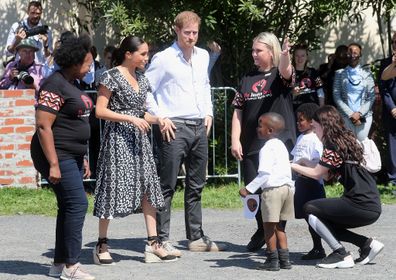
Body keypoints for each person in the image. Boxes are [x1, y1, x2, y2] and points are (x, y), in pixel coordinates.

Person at [145, 11, 226, 256]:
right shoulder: (163, 58)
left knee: (196, 184)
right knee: (167, 183)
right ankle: (161, 238)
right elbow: (147, 89)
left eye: (195, 33)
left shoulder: (203, 55)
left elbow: (204, 85)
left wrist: (209, 112)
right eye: (187, 32)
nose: (191, 37)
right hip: (174, 125)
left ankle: (196, 236)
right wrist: (160, 118)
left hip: (198, 123)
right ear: (176, 30)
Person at [93, 35, 177, 264]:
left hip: (140, 142)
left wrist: (159, 120)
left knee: (149, 188)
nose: (146, 57)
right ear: (128, 54)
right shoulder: (109, 77)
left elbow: (142, 113)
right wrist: (129, 119)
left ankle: (153, 243)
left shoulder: (142, 78)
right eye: (143, 53)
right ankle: (101, 244)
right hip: (117, 141)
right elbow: (100, 111)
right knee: (111, 190)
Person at [30, 35, 95, 280]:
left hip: (72, 156)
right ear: (74, 62)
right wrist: (54, 164)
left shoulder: (70, 83)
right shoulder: (53, 84)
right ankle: (72, 266)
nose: (90, 68)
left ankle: (58, 263)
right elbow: (44, 126)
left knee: (68, 207)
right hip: (57, 155)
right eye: (87, 64)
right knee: (78, 204)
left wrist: (84, 157)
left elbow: (74, 121)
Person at [291, 105, 384, 269]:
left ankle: (340, 253)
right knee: (324, 221)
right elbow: (327, 174)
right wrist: (305, 162)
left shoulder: (332, 144)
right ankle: (366, 244)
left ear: (323, 125)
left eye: (314, 126)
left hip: (360, 203)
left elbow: (316, 174)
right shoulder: (345, 140)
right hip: (370, 203)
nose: (313, 130)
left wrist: (291, 165)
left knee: (310, 208)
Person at [230, 31, 296, 252]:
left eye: (258, 50)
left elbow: (287, 71)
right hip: (251, 145)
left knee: (277, 190)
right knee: (254, 192)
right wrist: (234, 140)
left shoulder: (280, 76)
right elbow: (238, 110)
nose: (254, 54)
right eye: (253, 50)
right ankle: (262, 229)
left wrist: (286, 55)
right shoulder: (247, 78)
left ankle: (277, 234)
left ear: (271, 51)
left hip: (279, 147)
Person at [239, 112, 294, 271]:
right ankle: (285, 260)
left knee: (268, 227)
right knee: (280, 227)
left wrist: (248, 189)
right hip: (287, 189)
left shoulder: (266, 148)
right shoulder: (282, 146)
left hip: (273, 191)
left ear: (269, 130)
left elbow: (264, 174)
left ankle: (272, 260)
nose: (257, 128)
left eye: (260, 125)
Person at [291, 103, 326, 260]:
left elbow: (318, 163)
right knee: (306, 217)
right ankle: (317, 247)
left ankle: (322, 247)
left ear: (312, 121)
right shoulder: (300, 137)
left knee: (314, 217)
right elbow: (295, 158)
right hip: (300, 183)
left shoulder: (315, 139)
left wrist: (304, 163)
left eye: (301, 120)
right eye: (297, 120)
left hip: (312, 184)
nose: (298, 123)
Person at [333, 43, 375, 142]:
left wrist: (359, 113)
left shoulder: (367, 73)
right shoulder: (339, 74)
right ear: (346, 55)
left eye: (356, 53)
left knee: (362, 143)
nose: (352, 55)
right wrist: (351, 114)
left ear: (360, 55)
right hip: (346, 116)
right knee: (349, 145)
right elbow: (336, 96)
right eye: (350, 52)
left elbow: (371, 95)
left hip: (364, 116)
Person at [4, 1, 53, 65]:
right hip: (20, 69)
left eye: (38, 13)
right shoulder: (16, 27)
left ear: (41, 13)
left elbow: (49, 59)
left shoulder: (46, 31)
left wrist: (45, 45)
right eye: (32, 13)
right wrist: (16, 41)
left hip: (38, 71)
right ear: (28, 12)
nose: (35, 16)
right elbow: (8, 53)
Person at [378, 31, 396, 186]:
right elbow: (383, 87)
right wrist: (392, 107)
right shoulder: (386, 63)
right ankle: (393, 178)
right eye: (395, 42)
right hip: (392, 112)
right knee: (392, 146)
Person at [291, 43, 325, 110]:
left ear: (307, 57)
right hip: (296, 110)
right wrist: (292, 93)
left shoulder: (313, 72)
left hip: (313, 109)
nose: (300, 58)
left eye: (302, 56)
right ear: (293, 57)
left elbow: (320, 90)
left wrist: (321, 108)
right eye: (297, 56)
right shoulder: (289, 73)